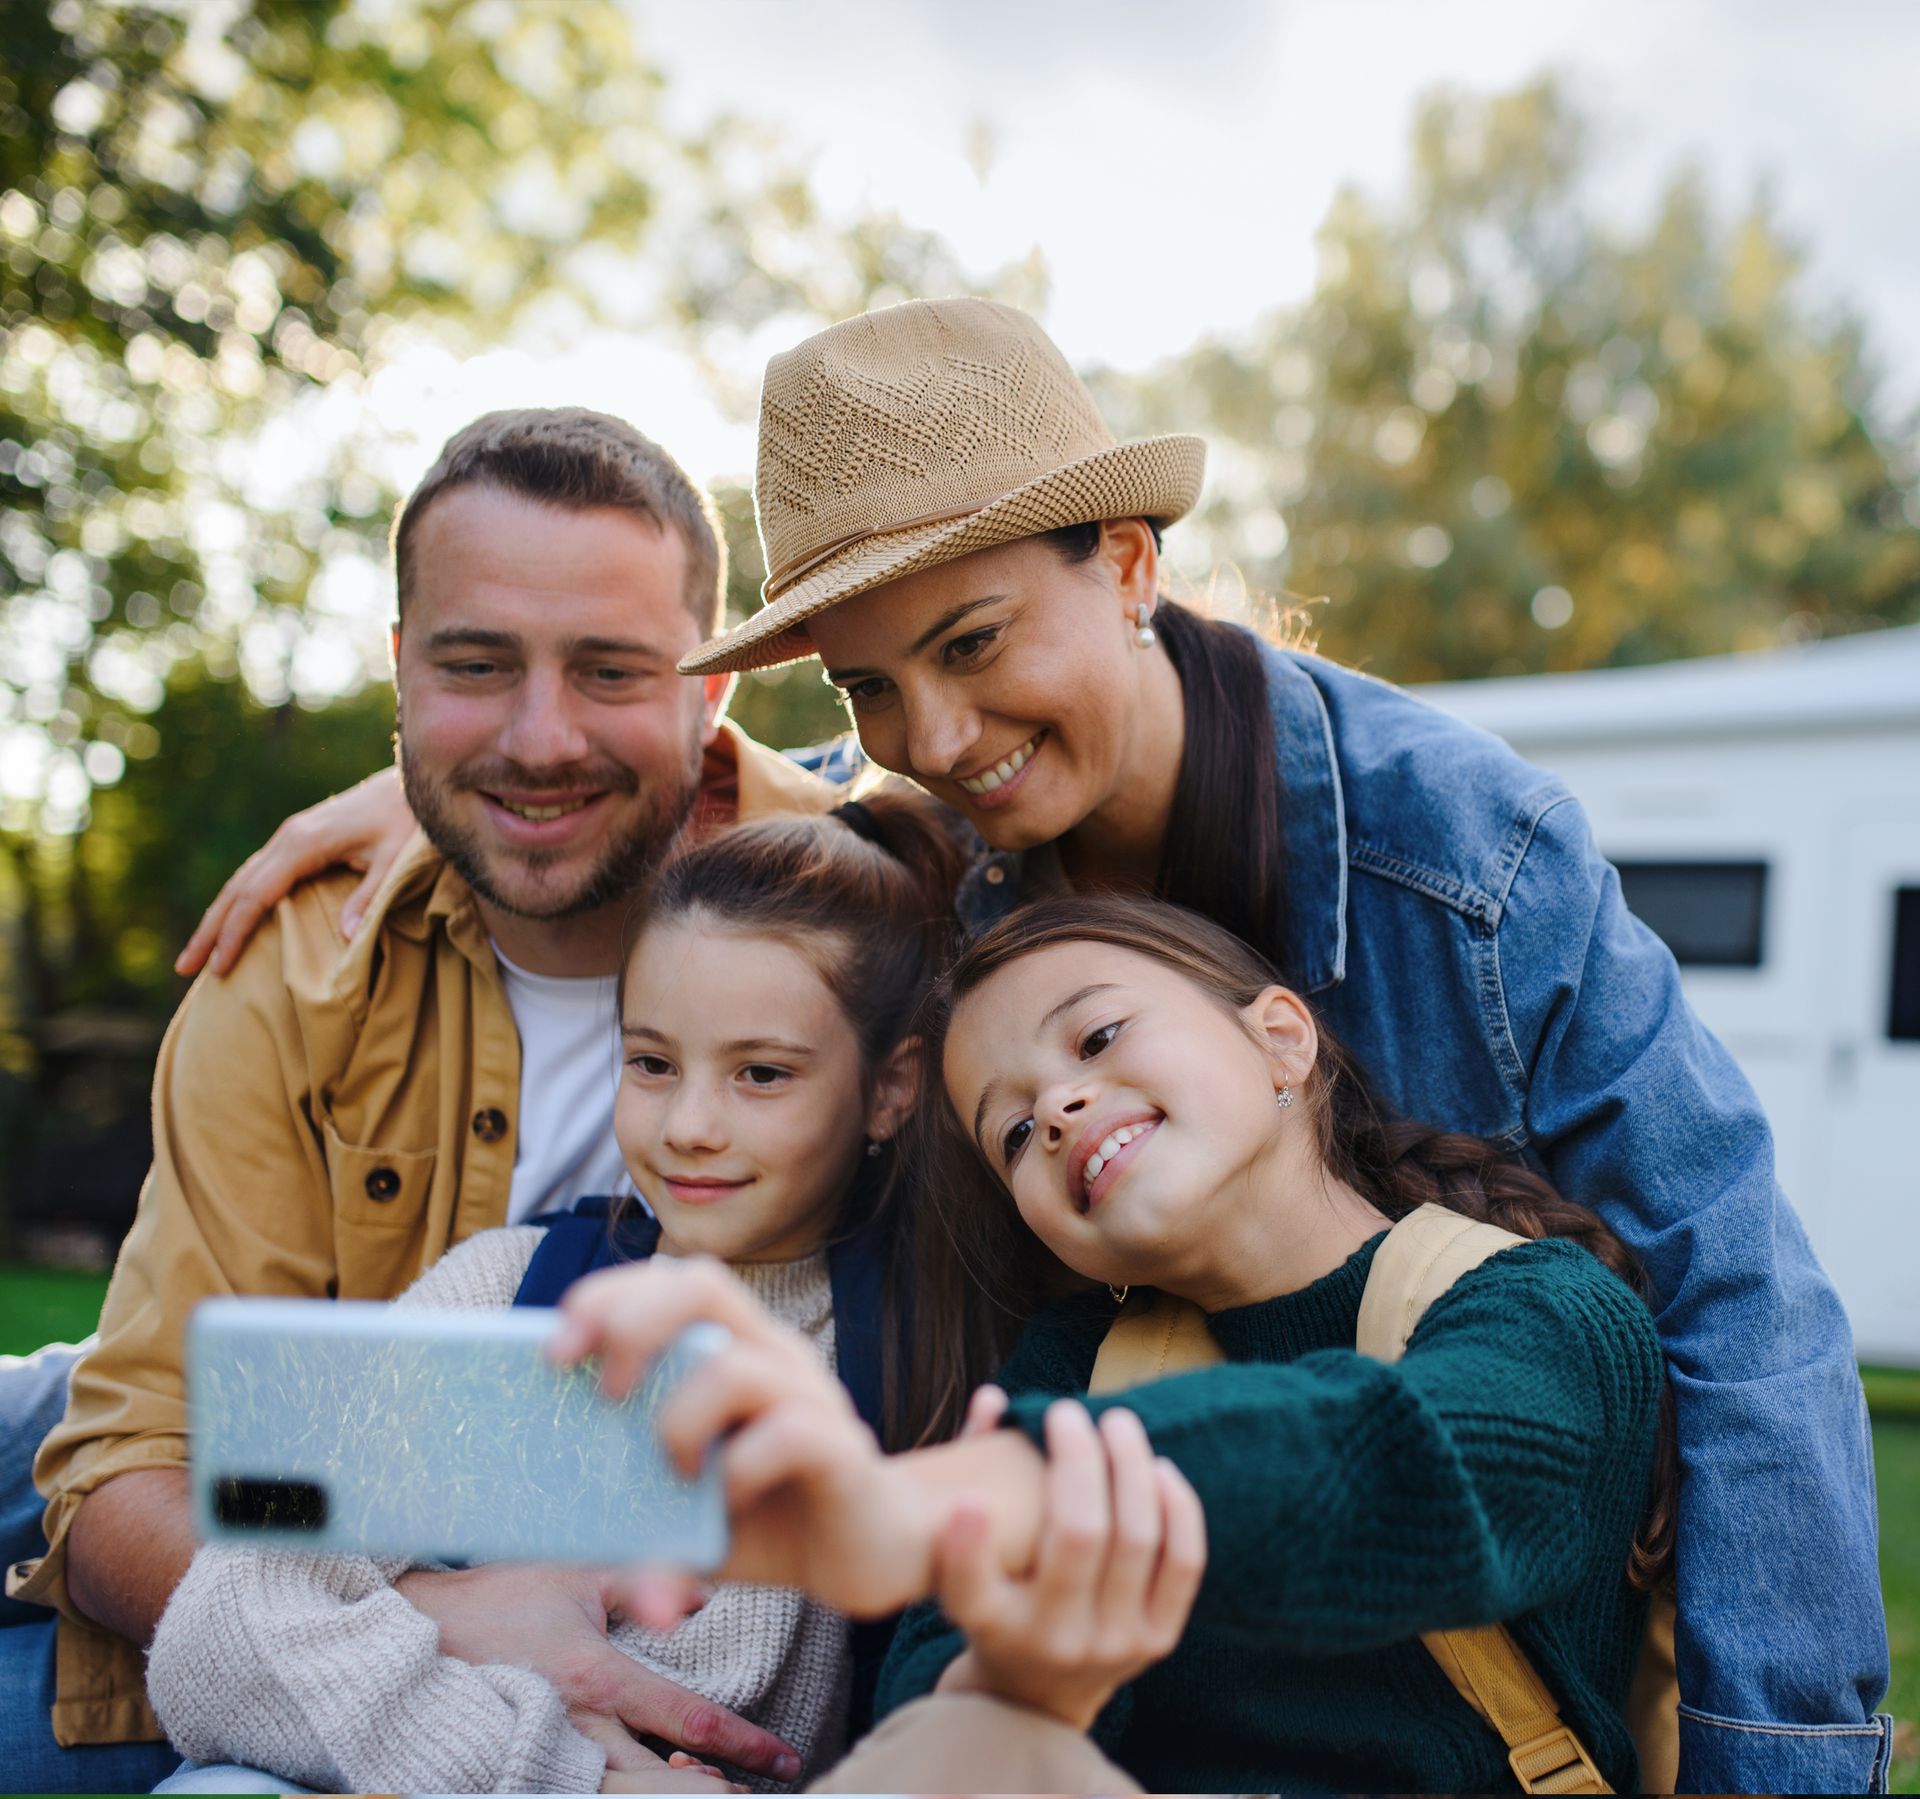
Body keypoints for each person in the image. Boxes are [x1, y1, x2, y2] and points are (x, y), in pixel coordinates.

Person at [162, 298, 1895, 1792]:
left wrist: (1775, 1760)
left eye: (975, 644)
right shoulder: (1036, 1308)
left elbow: (1719, 1320)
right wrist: (447, 782)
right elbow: (738, 827)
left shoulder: (1469, 925)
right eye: (869, 689)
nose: (935, 735)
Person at [0, 407, 838, 1791]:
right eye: (476, 664)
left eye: (611, 669)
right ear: (401, 677)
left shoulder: (868, 924)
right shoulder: (292, 955)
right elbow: (133, 1464)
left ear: (711, 694)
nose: (541, 734)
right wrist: (414, 1625)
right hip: (270, 1592)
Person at [549, 890, 1677, 1793]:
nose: (1060, 1110)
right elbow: (935, 1701)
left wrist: (918, 1509)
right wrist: (1025, 1672)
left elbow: (1395, 1464)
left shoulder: (1543, 1310)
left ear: (1282, 1038)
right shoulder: (1073, 1362)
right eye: (1014, 1128)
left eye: (1097, 1035)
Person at [142, 792, 962, 1794]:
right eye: (651, 1061)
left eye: (760, 1073)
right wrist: (584, 1780)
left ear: (892, 1087)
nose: (690, 1123)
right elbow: (216, 1631)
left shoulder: (935, 1344)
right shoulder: (514, 1291)